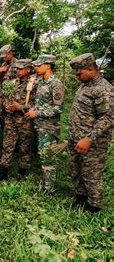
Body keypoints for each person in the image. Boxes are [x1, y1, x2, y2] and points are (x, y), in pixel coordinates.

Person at [68, 53, 113, 213]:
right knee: (76, 169)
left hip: (92, 142)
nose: (77, 76)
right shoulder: (85, 85)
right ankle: (81, 198)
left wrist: (89, 138)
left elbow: (108, 118)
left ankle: (93, 206)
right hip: (75, 138)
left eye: (79, 73)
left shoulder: (104, 89)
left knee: (91, 174)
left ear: (90, 69)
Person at [25, 54, 65, 193]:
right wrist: (33, 109)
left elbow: (58, 108)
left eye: (39, 65)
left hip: (49, 127)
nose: (36, 67)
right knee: (43, 155)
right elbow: (41, 103)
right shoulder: (41, 82)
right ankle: (46, 182)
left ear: (48, 66)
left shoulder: (56, 84)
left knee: (48, 157)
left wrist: (38, 113)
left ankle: (49, 189)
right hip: (40, 125)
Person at [0, 59, 38, 180]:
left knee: (25, 146)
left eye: (20, 68)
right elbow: (5, 97)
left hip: (25, 121)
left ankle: (23, 171)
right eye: (16, 68)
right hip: (11, 119)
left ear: (28, 69)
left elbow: (39, 105)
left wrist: (20, 107)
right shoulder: (12, 82)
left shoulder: (36, 83)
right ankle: (3, 171)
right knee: (7, 144)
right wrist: (7, 106)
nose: (17, 71)